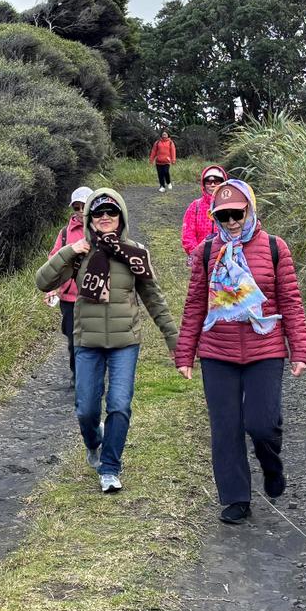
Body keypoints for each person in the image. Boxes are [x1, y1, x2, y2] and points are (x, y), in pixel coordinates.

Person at [174, 179, 306, 524]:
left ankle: (270, 463)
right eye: (225, 216)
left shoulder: (276, 248)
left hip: (264, 349)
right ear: (215, 218)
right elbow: (194, 305)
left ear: (250, 209)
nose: (233, 222)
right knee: (226, 428)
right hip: (217, 351)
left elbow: (291, 302)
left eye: (238, 213)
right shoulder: (207, 252)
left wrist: (300, 350)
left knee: (262, 425)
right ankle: (236, 498)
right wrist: (185, 352)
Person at [36, 189, 178, 494]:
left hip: (125, 341)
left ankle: (110, 467)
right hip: (87, 341)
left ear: (121, 216)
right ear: (89, 218)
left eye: (110, 213)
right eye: (98, 213)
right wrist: (69, 251)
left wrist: (172, 337)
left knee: (119, 405)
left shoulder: (135, 252)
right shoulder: (80, 253)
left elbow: (153, 298)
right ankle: (94, 443)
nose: (104, 218)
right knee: (86, 409)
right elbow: (43, 282)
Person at [45, 186, 94, 386]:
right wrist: (52, 288)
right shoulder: (65, 233)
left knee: (92, 338)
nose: (81, 211)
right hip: (69, 297)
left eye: (85, 206)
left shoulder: (102, 228)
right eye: (77, 207)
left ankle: (90, 375)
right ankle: (77, 373)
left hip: (94, 297)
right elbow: (53, 261)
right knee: (73, 339)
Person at [181, 165, 229, 259]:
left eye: (217, 181)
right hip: (200, 258)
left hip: (225, 258)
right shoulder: (195, 206)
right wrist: (197, 253)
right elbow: (188, 234)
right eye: (208, 181)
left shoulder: (229, 206)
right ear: (203, 184)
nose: (212, 184)